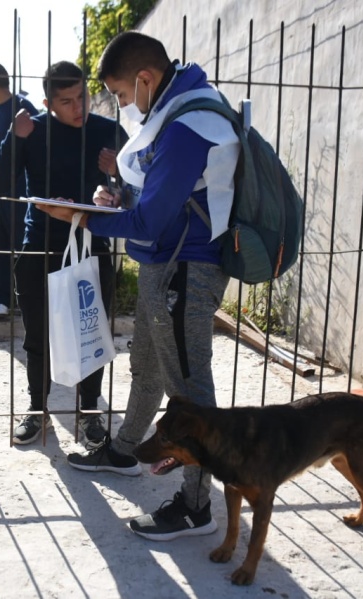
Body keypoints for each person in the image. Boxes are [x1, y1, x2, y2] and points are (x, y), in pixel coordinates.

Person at [37, 32, 240, 541]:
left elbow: (149, 222)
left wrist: (83, 219)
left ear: (146, 79)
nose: (122, 106)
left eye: (123, 95)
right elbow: (158, 196)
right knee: (148, 367)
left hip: (185, 273)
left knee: (189, 393)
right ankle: (126, 451)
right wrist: (118, 195)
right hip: (166, 267)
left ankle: (196, 506)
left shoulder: (189, 124)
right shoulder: (174, 113)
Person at [0, 60, 128, 446]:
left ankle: (88, 413)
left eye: (82, 96)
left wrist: (118, 178)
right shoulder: (33, 130)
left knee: (92, 335)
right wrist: (14, 138)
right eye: (66, 101)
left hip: (93, 246)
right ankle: (38, 410)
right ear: (47, 102)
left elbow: (135, 192)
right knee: (38, 336)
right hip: (40, 248)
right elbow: (0, 184)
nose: (78, 107)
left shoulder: (107, 131)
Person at [0, 63, 38, 322]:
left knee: (20, 244)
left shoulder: (24, 107)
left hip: (17, 188)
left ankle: (26, 297)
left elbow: (39, 142)